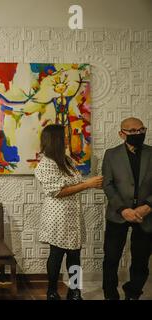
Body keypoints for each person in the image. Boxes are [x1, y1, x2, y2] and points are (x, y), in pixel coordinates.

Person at [34, 124, 103, 300]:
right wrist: (87, 184)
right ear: (55, 139)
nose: (67, 139)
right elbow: (57, 192)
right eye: (64, 136)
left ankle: (74, 291)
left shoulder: (67, 160)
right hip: (58, 216)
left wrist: (89, 183)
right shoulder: (46, 164)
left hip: (73, 215)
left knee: (74, 254)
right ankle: (52, 291)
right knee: (56, 255)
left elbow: (74, 184)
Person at [102, 117, 152, 300]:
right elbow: (108, 185)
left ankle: (133, 293)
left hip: (145, 215)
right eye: (132, 131)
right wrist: (123, 209)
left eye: (141, 130)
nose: (138, 134)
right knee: (111, 259)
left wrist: (148, 206)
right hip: (118, 213)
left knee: (141, 260)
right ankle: (110, 294)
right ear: (121, 134)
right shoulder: (111, 154)